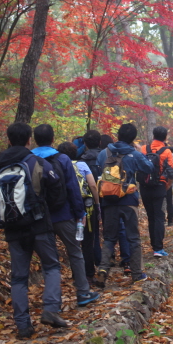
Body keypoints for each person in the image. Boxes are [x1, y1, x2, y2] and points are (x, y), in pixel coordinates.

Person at [0, 122, 66, 339]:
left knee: (18, 278)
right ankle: (51, 310)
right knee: (51, 266)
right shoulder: (36, 161)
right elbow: (55, 186)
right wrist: (45, 207)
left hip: (13, 227)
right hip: (39, 223)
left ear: (8, 139)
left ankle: (23, 325)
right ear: (28, 141)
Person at [33, 124, 100, 307]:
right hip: (63, 214)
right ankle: (83, 292)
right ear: (52, 139)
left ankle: (52, 302)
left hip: (39, 218)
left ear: (34, 139)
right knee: (75, 253)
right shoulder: (62, 159)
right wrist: (80, 214)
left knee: (48, 260)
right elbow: (72, 188)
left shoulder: (29, 159)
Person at [94, 123, 153, 287]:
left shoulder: (104, 154)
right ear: (133, 139)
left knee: (109, 238)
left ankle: (102, 270)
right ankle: (137, 274)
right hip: (129, 200)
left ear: (117, 135)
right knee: (133, 237)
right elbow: (149, 168)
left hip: (108, 200)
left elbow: (99, 173)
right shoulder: (134, 154)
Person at [57, 141, 99, 284]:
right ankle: (89, 273)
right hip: (86, 207)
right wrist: (97, 203)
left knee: (73, 244)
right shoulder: (82, 165)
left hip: (67, 209)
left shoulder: (58, 166)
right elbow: (92, 185)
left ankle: (77, 275)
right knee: (87, 241)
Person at [97, 135, 132, 273]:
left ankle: (105, 265)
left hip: (106, 195)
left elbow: (99, 172)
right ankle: (127, 261)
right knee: (123, 228)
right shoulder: (128, 153)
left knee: (109, 233)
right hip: (124, 194)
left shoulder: (101, 154)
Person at [141, 126, 173, 257]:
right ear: (165, 137)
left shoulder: (144, 149)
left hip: (144, 186)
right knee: (159, 216)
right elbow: (171, 172)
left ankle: (153, 245)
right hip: (160, 186)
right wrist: (166, 186)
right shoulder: (166, 151)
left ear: (153, 135)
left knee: (151, 217)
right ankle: (158, 248)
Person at [78, 130, 103, 277]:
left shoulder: (81, 160)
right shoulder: (106, 156)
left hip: (89, 200)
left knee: (91, 233)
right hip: (108, 194)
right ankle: (105, 259)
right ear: (100, 142)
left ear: (85, 144)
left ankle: (95, 261)